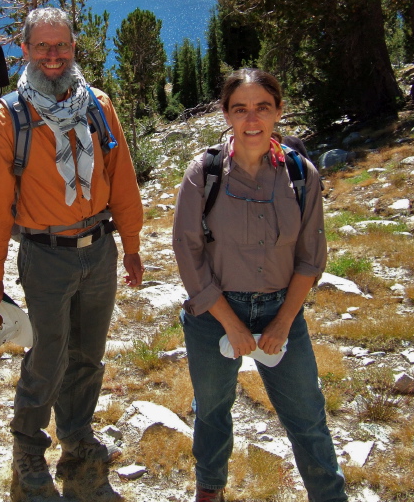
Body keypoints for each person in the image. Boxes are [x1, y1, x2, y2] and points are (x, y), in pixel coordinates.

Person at [0, 7, 145, 501]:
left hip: (100, 248)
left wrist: (131, 244)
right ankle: (28, 447)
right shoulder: (7, 119)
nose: (53, 56)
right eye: (42, 46)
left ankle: (75, 436)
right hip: (44, 254)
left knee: (88, 354)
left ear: (73, 48)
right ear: (24, 50)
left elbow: (123, 180)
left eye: (61, 46)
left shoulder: (97, 105)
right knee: (46, 356)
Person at [172, 69, 347, 502]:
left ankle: (330, 495)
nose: (252, 120)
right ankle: (209, 490)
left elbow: (311, 257)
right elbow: (188, 254)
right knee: (212, 412)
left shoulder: (300, 173)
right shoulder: (205, 172)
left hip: (281, 310)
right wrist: (229, 323)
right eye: (241, 109)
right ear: (226, 114)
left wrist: (284, 321)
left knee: (307, 415)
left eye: (262, 108)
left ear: (278, 111)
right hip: (215, 315)